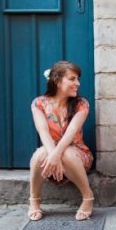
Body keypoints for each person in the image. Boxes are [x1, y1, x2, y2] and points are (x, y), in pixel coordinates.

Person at [28, 61, 95, 221]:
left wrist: (56, 155)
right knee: (40, 154)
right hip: (51, 153)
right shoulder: (38, 103)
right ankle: (34, 200)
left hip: (77, 155)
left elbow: (71, 133)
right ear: (57, 81)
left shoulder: (81, 104)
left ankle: (88, 197)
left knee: (67, 154)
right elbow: (42, 130)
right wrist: (53, 156)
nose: (77, 83)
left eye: (78, 79)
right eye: (72, 79)